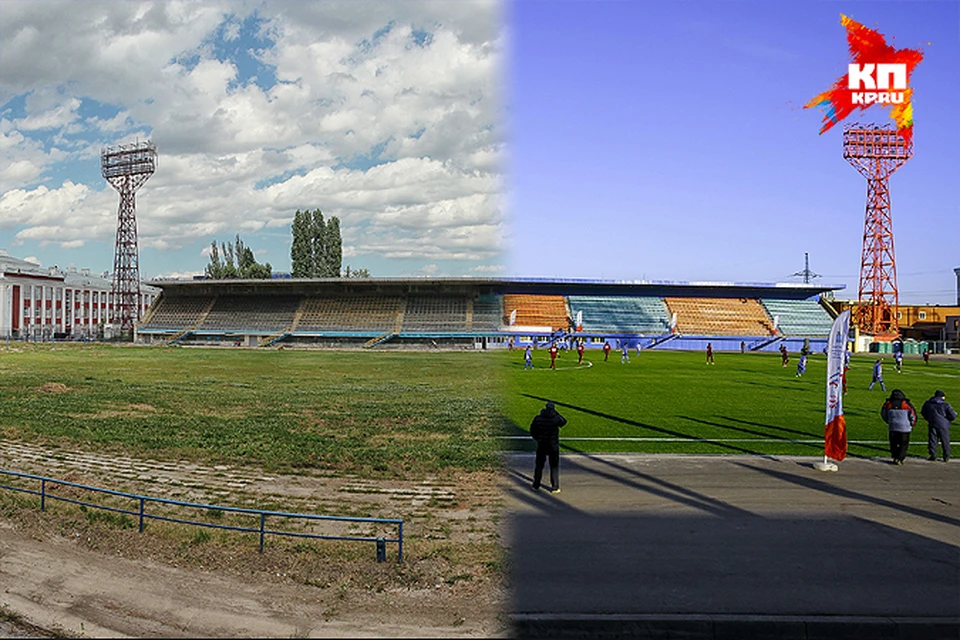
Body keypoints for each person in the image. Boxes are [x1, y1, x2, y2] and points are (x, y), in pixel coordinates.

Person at [529, 401, 566, 494]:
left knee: (539, 466)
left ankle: (536, 484)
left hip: (542, 444)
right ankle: (555, 486)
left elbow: (532, 430)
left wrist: (538, 439)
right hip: (553, 445)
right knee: (554, 466)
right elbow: (564, 421)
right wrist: (557, 413)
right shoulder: (556, 419)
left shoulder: (538, 418)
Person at [881, 388, 917, 465]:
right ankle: (900, 458)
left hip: (893, 426)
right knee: (903, 444)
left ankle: (895, 457)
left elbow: (883, 414)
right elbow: (913, 415)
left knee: (894, 443)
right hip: (905, 428)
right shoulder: (906, 404)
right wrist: (912, 424)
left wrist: (889, 421)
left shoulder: (888, 404)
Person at [921, 390, 956, 462]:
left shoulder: (928, 403)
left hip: (932, 423)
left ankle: (933, 455)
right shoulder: (945, 405)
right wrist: (947, 420)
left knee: (933, 440)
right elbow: (953, 415)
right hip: (943, 424)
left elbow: (923, 412)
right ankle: (946, 456)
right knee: (945, 440)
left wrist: (929, 419)